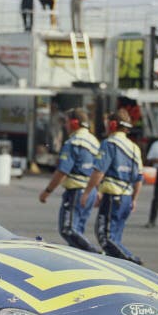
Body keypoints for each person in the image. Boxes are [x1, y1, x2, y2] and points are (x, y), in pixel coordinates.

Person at [81, 109, 144, 265]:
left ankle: (131, 261)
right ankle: (119, 267)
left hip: (112, 196)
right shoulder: (134, 148)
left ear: (113, 125)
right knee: (115, 237)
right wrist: (134, 199)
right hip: (127, 197)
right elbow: (139, 178)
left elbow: (99, 171)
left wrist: (88, 192)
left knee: (105, 236)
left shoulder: (110, 144)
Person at [39, 108, 101, 253]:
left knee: (68, 229)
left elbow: (62, 171)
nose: (65, 126)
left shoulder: (73, 143)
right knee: (78, 230)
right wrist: (96, 190)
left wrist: (47, 191)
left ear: (74, 123)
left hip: (76, 191)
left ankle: (95, 253)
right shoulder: (94, 141)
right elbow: (99, 170)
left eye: (66, 122)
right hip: (90, 191)